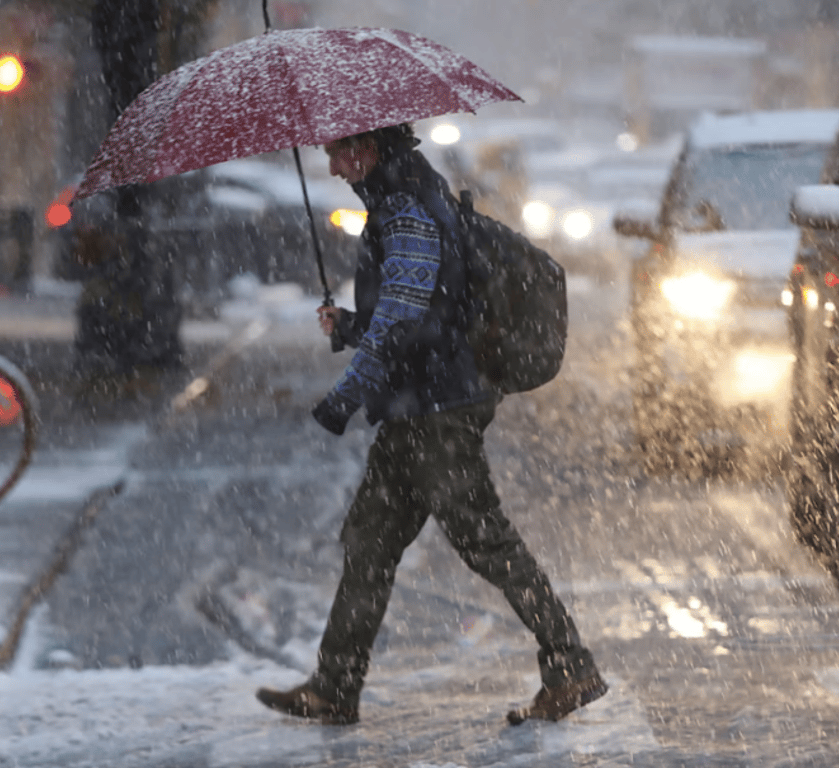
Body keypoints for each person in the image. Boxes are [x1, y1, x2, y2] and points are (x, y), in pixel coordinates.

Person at [254, 123, 607, 726]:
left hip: (438, 411)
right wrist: (349, 327)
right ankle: (334, 686)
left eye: (338, 153)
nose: (334, 168)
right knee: (369, 542)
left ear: (366, 147)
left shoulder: (408, 209)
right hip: (413, 409)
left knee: (486, 542)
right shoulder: (401, 200)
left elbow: (404, 321)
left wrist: (344, 396)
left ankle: (570, 666)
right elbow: (411, 313)